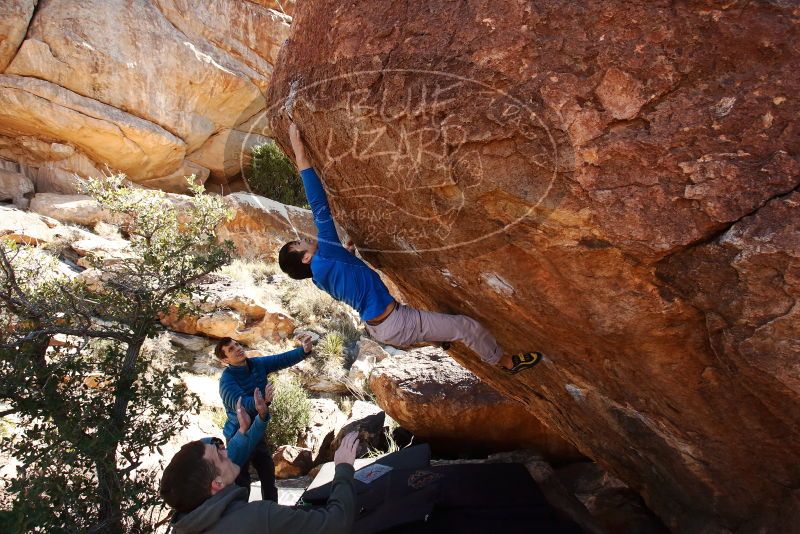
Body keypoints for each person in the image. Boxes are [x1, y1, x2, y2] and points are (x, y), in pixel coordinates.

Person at [278, 123, 541, 374]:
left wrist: (348, 257)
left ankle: (437, 338)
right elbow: (318, 203)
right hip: (396, 322)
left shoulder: (320, 278)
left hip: (382, 327)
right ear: (306, 258)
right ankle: (505, 362)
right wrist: (299, 151)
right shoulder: (325, 255)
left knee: (438, 322)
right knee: (465, 326)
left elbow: (345, 283)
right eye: (301, 243)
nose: (305, 239)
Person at [160, 431, 360, 533]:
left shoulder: (184, 523)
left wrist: (248, 428)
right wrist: (343, 468)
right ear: (217, 483)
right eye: (220, 456)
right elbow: (337, 522)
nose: (227, 452)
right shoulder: (258, 516)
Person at [215, 334, 313, 501]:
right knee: (241, 480)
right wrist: (261, 402)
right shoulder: (226, 380)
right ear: (225, 360)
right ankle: (241, 516)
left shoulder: (256, 364)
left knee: (268, 473)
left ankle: (272, 511)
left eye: (237, 344)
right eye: (231, 349)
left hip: (258, 430)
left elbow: (280, 359)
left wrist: (304, 351)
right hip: (238, 436)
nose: (238, 348)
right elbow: (240, 404)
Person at [202, 384, 274, 473]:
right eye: (218, 454)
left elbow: (249, 440)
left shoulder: (228, 457)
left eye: (223, 449)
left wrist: (261, 414)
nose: (226, 453)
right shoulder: (201, 482)